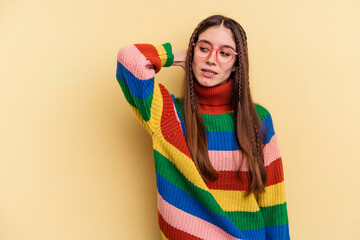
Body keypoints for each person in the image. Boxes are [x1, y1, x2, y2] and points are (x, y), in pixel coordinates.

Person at [116, 15, 290, 240]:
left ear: (237, 64)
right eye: (204, 49)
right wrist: (180, 57)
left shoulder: (257, 120)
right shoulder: (168, 115)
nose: (211, 59)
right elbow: (129, 59)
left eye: (225, 53)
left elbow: (274, 204)